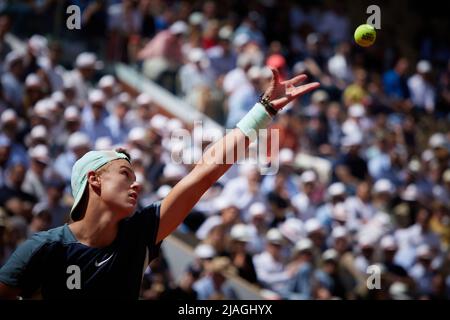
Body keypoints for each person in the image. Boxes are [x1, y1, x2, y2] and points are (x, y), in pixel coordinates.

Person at [0, 70, 319, 299]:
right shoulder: (42, 249)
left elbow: (205, 173)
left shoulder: (140, 233)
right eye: (126, 175)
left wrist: (262, 112)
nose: (136, 186)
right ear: (94, 181)